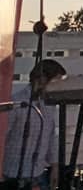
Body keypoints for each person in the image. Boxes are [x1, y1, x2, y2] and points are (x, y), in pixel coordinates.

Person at [0, 59, 65, 190]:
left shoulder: (49, 104)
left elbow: (51, 135)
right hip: (13, 173)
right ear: (42, 79)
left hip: (38, 172)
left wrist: (55, 166)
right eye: (56, 82)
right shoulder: (17, 103)